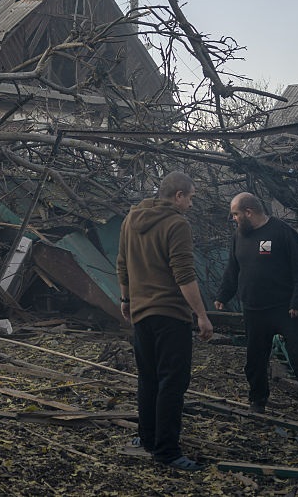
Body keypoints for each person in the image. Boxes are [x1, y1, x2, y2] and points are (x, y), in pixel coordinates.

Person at [117, 172, 214, 472]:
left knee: (148, 379)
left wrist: (126, 300)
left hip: (141, 314)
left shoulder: (131, 219)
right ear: (178, 196)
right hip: (170, 315)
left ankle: (147, 440)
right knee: (173, 383)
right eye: (191, 197)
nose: (191, 203)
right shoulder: (177, 224)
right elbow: (183, 275)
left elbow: (122, 262)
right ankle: (168, 452)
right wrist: (201, 315)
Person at [213, 192, 298, 426]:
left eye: (235, 214)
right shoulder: (239, 237)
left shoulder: (282, 232)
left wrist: (297, 302)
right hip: (254, 310)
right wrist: (223, 295)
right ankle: (257, 402)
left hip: (286, 310)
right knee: (255, 360)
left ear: (248, 212)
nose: (233, 218)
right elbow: (233, 269)